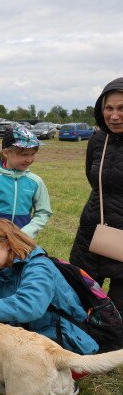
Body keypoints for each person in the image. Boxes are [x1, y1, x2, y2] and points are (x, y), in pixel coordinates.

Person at [0, 219, 99, 357]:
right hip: (38, 337)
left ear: (7, 244)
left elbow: (29, 306)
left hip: (71, 346)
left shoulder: (39, 267)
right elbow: (0, 314)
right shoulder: (6, 272)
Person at [0, 126, 50, 303]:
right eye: (23, 154)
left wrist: (24, 234)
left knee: (18, 279)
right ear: (7, 153)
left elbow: (43, 212)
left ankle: (13, 312)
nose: (29, 159)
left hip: (21, 244)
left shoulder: (35, 182)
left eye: (32, 154)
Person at [70, 78, 123, 311]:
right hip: (93, 230)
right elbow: (93, 179)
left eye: (121, 108)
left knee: (118, 309)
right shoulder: (98, 139)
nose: (114, 116)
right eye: (109, 108)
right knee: (80, 299)